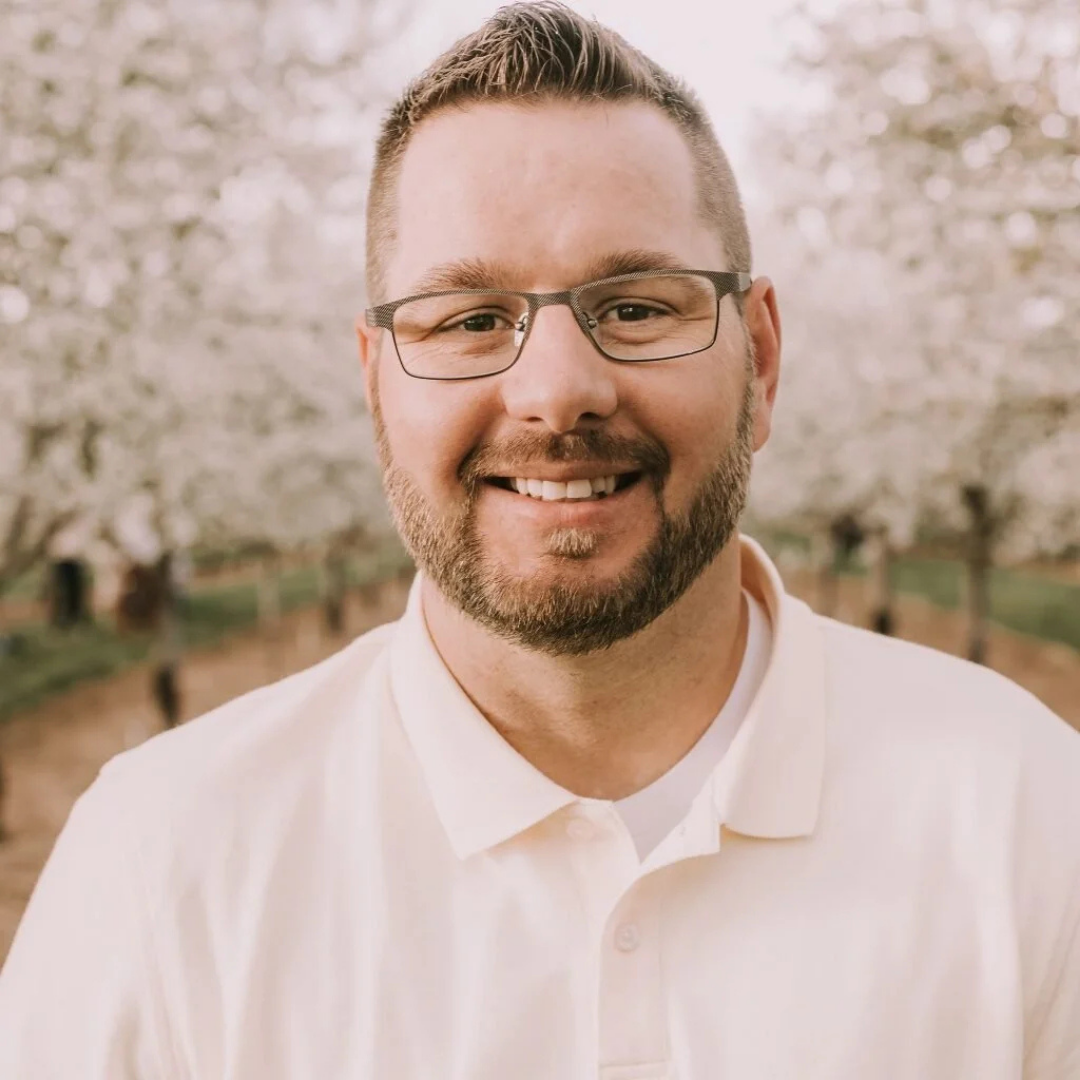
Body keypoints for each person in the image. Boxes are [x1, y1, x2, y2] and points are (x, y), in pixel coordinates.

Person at [1, 5, 1078, 1077]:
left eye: (637, 306)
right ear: (377, 387)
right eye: (469, 318)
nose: (559, 392)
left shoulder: (1032, 819)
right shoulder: (160, 866)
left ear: (760, 359)